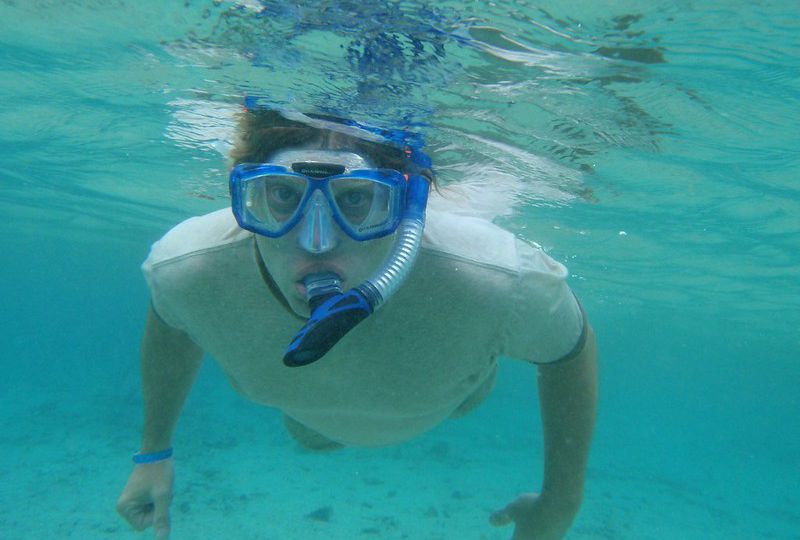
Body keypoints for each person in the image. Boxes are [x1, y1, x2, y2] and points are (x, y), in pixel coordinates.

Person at [116, 99, 598, 540]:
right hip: (309, 417)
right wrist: (153, 451)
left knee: (460, 398)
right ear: (246, 199)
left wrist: (562, 500)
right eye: (283, 196)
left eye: (355, 199)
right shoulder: (190, 268)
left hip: (450, 398)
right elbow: (171, 320)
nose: (317, 242)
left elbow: (569, 348)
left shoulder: (493, 280)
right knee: (311, 435)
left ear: (405, 208)